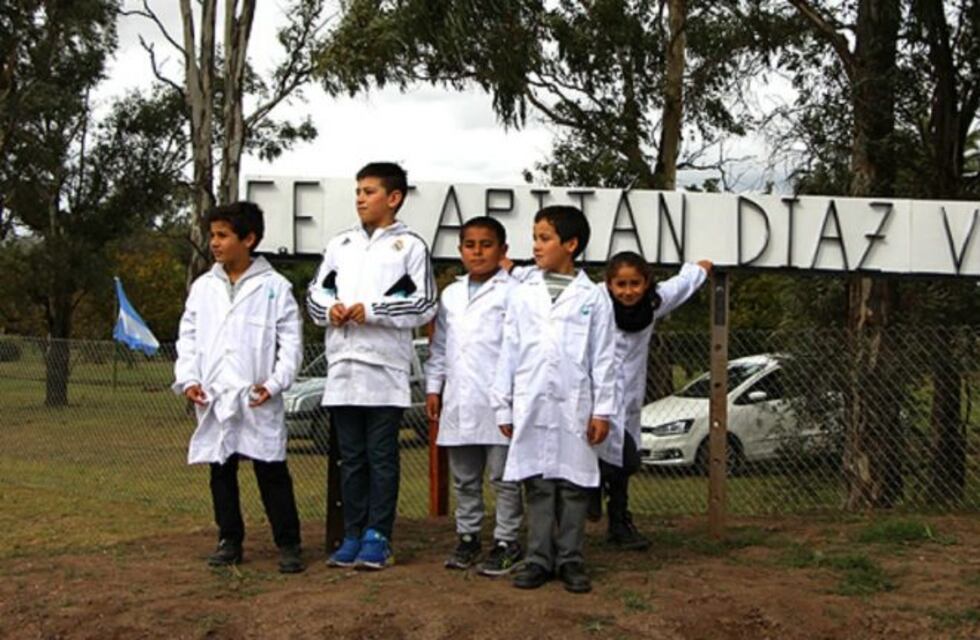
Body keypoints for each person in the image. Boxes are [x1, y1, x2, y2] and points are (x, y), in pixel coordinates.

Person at [306, 162, 437, 570]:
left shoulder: (410, 247)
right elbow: (314, 296)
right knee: (351, 457)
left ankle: (379, 535)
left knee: (381, 456)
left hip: (384, 368)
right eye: (358, 191)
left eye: (369, 191)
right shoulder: (340, 245)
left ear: (394, 198)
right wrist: (334, 310)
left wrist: (374, 310)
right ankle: (352, 532)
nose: (360, 198)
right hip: (343, 366)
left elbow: (424, 302)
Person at [173, 201, 305, 574]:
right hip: (215, 394)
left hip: (257, 394)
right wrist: (190, 379)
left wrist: (275, 383)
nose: (214, 243)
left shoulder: (275, 287)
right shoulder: (203, 287)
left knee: (271, 470)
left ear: (249, 239)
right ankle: (229, 539)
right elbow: (188, 335)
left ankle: (289, 543)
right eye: (212, 235)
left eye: (223, 236)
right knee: (221, 469)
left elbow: (290, 343)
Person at [493, 205, 616, 594]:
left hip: (574, 403)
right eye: (535, 238)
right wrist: (503, 402)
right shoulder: (522, 293)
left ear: (571, 244)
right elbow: (509, 349)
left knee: (574, 485)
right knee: (539, 482)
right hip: (531, 400)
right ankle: (538, 558)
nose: (536, 246)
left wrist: (603, 410)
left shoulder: (593, 297)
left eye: (545, 238)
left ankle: (571, 559)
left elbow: (604, 356)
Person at [425, 217, 524, 576]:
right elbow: (439, 346)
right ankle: (467, 537)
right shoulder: (450, 295)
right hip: (459, 400)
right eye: (470, 245)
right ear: (460, 250)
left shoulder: (513, 291)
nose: (478, 252)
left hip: (499, 400)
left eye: (486, 244)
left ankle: (506, 540)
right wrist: (434, 387)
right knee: (464, 477)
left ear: (503, 250)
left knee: (504, 477)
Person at [593, 252, 711, 550]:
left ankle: (619, 523)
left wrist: (701, 268)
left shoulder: (653, 304)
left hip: (630, 400)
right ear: (608, 284)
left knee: (626, 463)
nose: (628, 291)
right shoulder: (594, 302)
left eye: (635, 283)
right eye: (621, 284)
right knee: (592, 459)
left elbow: (681, 285)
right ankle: (587, 500)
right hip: (595, 400)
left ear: (646, 283)